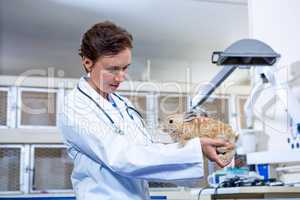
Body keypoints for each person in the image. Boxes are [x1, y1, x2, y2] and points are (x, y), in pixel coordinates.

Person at [58, 21, 233, 200]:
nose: (121, 77)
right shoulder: (75, 106)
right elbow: (122, 157)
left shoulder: (122, 104)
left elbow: (148, 149)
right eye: (113, 69)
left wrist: (194, 138)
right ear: (88, 63)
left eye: (125, 68)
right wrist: (194, 148)